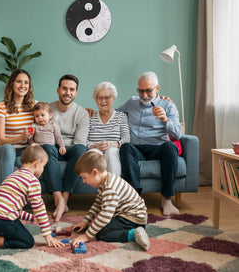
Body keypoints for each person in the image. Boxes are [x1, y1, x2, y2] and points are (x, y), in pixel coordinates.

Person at [0, 144, 64, 252]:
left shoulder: (13, 175)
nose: (43, 170)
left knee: (13, 222)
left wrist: (31, 217)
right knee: (27, 241)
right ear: (37, 163)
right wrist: (48, 235)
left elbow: (10, 207)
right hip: (1, 221)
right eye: (43, 166)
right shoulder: (32, 181)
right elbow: (39, 208)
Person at [118, 71, 182, 216]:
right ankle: (134, 199)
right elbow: (113, 114)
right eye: (141, 91)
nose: (145, 95)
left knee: (170, 147)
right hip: (136, 149)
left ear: (157, 88)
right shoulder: (131, 102)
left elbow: (177, 134)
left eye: (149, 90)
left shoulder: (168, 105)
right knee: (126, 147)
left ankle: (166, 200)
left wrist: (166, 120)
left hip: (158, 148)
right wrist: (91, 113)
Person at [71, 151, 149, 251]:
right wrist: (86, 222)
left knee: (101, 234)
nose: (84, 181)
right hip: (129, 216)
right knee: (98, 228)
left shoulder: (109, 188)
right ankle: (132, 230)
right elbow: (97, 205)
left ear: (94, 172)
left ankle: (133, 234)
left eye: (84, 177)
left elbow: (105, 216)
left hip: (133, 218)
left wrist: (86, 236)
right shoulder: (104, 183)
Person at [43, 74, 89, 222]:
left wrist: (64, 147)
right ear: (58, 90)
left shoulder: (81, 113)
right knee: (48, 147)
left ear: (76, 92)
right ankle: (59, 200)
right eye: (64, 88)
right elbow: (42, 132)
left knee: (81, 150)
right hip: (53, 148)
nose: (67, 92)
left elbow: (79, 142)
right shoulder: (48, 109)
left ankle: (64, 199)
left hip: (71, 148)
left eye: (71, 89)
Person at [0, 69, 38, 185]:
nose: (23, 85)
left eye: (26, 82)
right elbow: (1, 139)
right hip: (4, 149)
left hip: (24, 151)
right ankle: (4, 196)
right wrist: (21, 137)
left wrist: (82, 110)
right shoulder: (1, 107)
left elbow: (53, 112)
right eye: (19, 81)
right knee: (9, 148)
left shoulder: (34, 106)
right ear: (12, 84)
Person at [87, 81, 130, 176]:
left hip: (114, 152)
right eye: (99, 98)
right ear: (95, 99)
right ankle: (99, 187)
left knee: (111, 151)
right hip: (94, 151)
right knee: (94, 153)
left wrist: (112, 144)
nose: (103, 101)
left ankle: (113, 187)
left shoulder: (121, 116)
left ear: (113, 99)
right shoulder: (89, 117)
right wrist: (95, 146)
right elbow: (83, 140)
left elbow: (126, 139)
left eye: (107, 97)